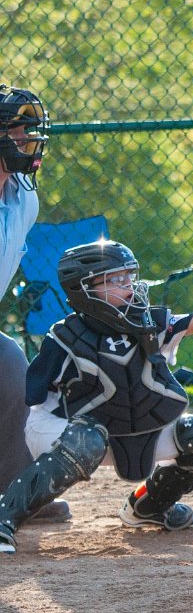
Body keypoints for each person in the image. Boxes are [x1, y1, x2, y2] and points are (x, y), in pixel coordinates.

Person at [0, 240, 193, 554]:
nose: (129, 286)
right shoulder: (65, 337)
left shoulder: (146, 323)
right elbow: (35, 397)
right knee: (86, 438)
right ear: (85, 290)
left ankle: (148, 506)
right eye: (116, 280)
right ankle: (5, 518)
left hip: (123, 429)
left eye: (129, 277)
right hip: (62, 431)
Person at [0, 84, 71, 524]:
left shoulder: (24, 198)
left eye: (29, 131)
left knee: (10, 363)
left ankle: (15, 492)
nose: (27, 141)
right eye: (17, 132)